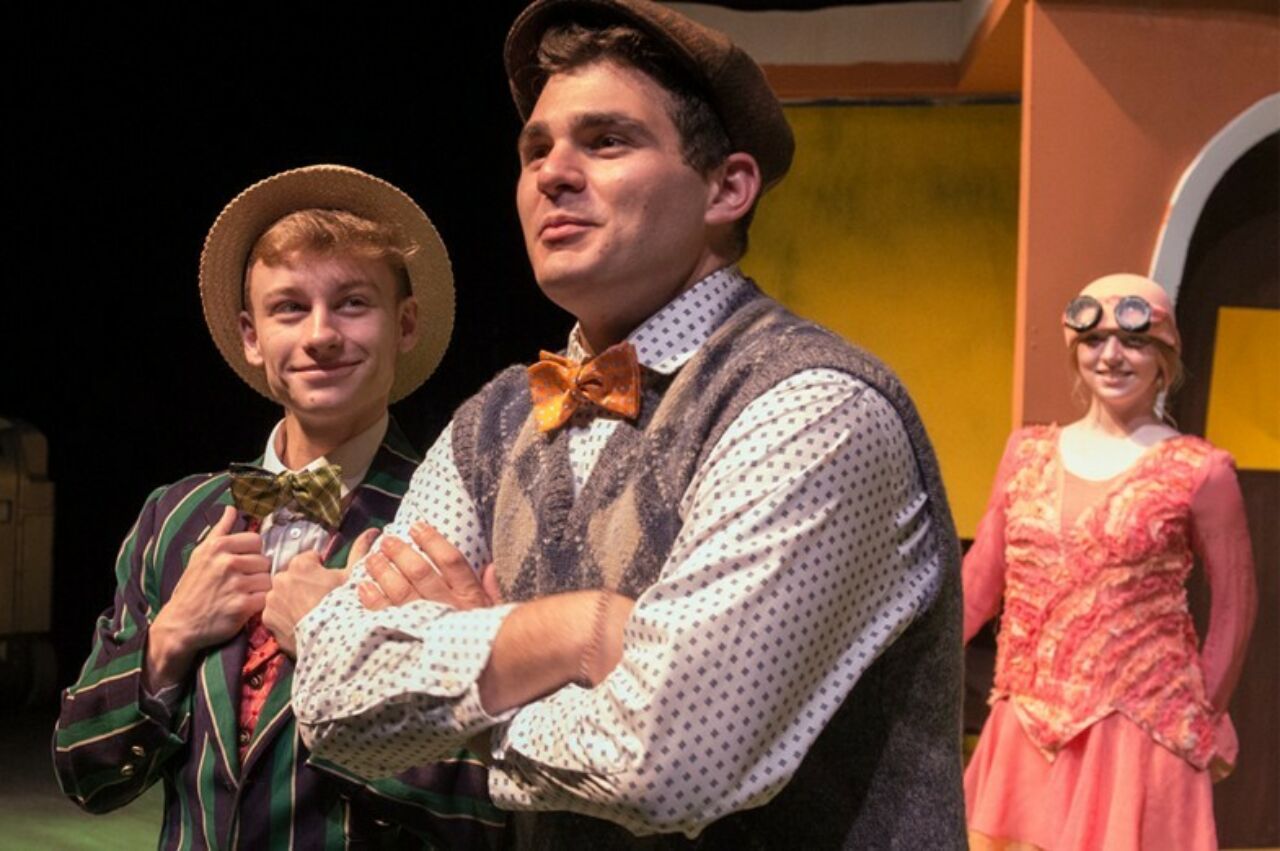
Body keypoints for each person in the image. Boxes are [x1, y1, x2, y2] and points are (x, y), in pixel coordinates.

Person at [292, 1, 967, 846]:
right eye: (535, 149)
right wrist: (581, 632)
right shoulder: (494, 418)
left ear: (727, 188)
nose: (552, 174)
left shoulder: (813, 408)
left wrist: (457, 699)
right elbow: (329, 696)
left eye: (605, 142)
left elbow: (663, 760)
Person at [53, 165, 503, 849]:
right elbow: (85, 770)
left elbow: (492, 805)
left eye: (353, 303)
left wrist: (338, 650)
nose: (321, 334)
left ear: (405, 323)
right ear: (252, 335)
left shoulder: (459, 524)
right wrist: (167, 640)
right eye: (290, 307)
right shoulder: (175, 518)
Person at [962, 273, 1258, 851]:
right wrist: (914, 676)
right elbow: (980, 580)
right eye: (1094, 340)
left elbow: (1235, 605)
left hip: (1137, 732)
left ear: (1164, 357)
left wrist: (1202, 709)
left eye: (1134, 341)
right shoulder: (1027, 453)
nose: (1112, 356)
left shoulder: (1200, 471)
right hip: (1029, 723)